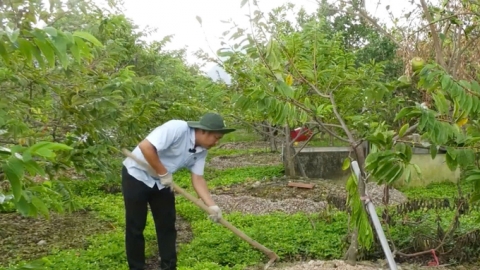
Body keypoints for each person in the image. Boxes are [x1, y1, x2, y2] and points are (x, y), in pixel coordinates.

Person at [121, 112, 236, 270]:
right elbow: (145, 147)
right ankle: (136, 267)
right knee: (136, 225)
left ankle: (169, 266)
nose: (216, 142)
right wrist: (163, 172)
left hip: (162, 183)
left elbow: (198, 179)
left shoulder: (201, 150)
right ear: (203, 131)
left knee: (167, 224)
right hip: (136, 175)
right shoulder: (177, 128)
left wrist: (212, 206)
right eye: (216, 137)